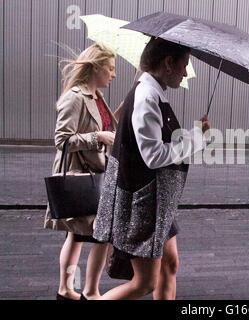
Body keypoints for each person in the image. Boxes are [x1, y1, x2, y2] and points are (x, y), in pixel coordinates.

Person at [93, 37, 210, 300]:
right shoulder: (147, 96)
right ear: (168, 63)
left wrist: (194, 136)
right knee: (145, 283)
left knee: (170, 265)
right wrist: (195, 140)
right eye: (184, 65)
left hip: (156, 202)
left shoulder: (152, 92)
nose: (185, 72)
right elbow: (154, 156)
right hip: (145, 203)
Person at [44, 43, 119, 300]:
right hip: (81, 176)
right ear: (96, 68)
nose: (113, 74)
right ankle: (84, 291)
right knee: (90, 234)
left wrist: (111, 122)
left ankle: (72, 290)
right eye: (110, 68)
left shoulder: (98, 97)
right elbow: (62, 140)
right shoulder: (75, 97)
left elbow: (101, 127)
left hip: (97, 175)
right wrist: (97, 136)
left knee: (81, 235)